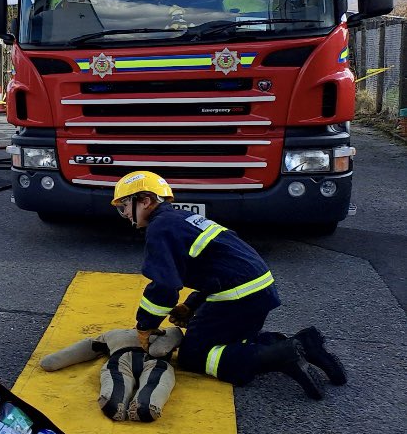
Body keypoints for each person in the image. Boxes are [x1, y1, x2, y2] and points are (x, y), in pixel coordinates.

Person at [111, 170, 347, 400]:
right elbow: (218, 265)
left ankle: (281, 355)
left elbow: (163, 287)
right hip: (256, 291)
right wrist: (192, 305)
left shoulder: (160, 228)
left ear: (145, 201)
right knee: (229, 343)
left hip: (237, 296)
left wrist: (145, 325)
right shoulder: (181, 219)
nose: (125, 215)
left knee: (194, 355)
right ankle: (305, 344)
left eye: (124, 208)